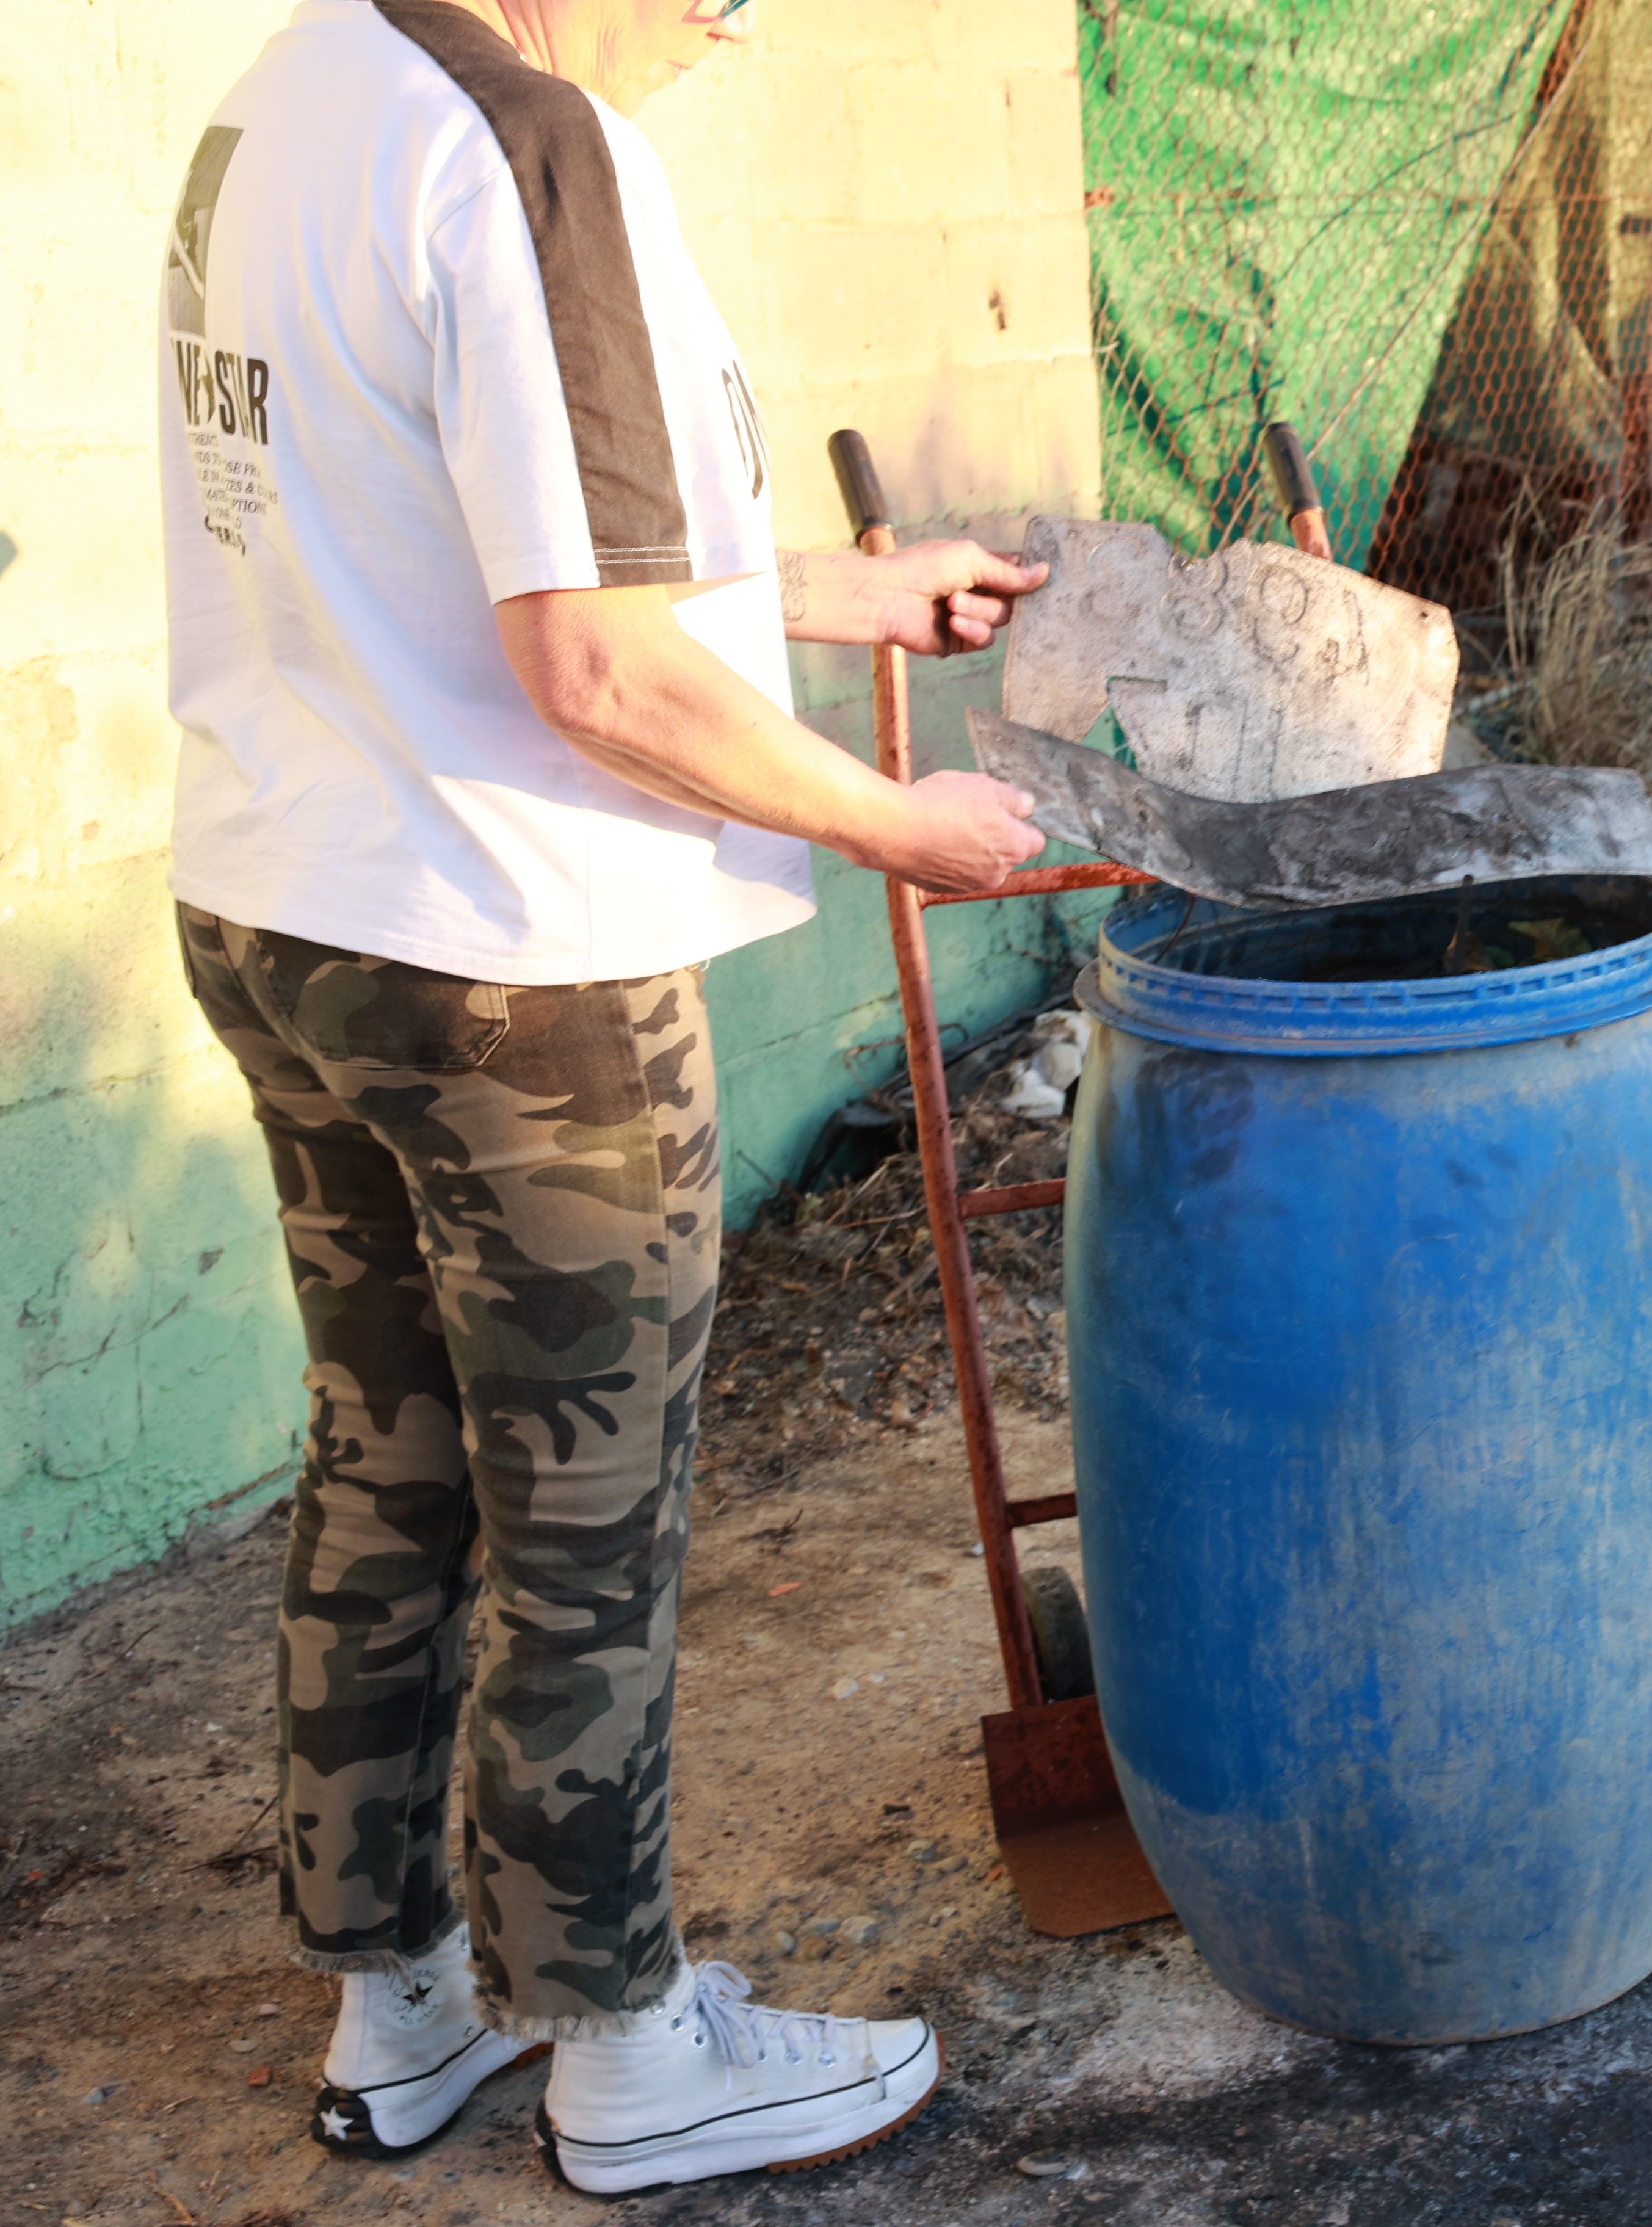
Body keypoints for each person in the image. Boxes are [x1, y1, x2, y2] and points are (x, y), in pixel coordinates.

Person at [157, 0, 1049, 2193]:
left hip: (289, 907)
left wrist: (847, 590)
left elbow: (475, 534)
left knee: (388, 1465)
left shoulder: (285, 100)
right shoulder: (529, 145)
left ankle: (402, 2002)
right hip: (513, 970)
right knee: (589, 1522)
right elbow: (594, 666)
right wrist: (885, 824)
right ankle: (630, 2045)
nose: (732, 20)